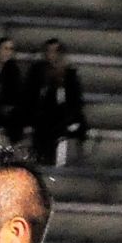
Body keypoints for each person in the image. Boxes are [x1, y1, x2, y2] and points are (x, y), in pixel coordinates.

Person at [20, 38, 90, 166]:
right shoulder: (37, 71)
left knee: (65, 130)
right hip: (41, 115)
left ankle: (59, 163)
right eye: (49, 51)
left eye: (55, 52)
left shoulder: (69, 74)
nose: (51, 55)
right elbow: (30, 96)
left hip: (63, 116)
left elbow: (75, 100)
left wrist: (72, 118)